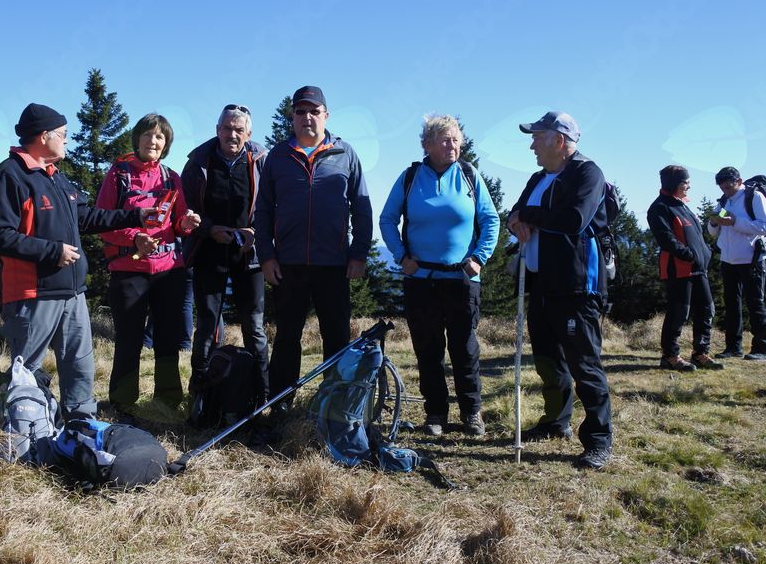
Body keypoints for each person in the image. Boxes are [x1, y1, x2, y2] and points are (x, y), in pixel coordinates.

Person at [0, 103, 150, 419]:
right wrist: (52, 251)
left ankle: (80, 426)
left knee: (80, 367)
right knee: (27, 371)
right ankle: (22, 427)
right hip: (32, 294)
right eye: (63, 134)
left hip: (72, 293)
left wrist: (136, 216)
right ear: (44, 136)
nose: (67, 140)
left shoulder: (57, 178)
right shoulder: (9, 176)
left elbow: (87, 217)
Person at [378, 114, 499, 437]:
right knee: (428, 349)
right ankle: (435, 413)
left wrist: (479, 258)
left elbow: (491, 220)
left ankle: (471, 412)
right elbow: (387, 219)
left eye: (456, 139)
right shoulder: (410, 178)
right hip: (421, 280)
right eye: (445, 140)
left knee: (465, 349)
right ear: (427, 144)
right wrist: (401, 256)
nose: (453, 145)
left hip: (462, 279)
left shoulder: (469, 176)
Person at [254, 86, 372, 408]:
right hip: (288, 264)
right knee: (286, 337)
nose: (307, 117)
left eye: (314, 111)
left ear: (326, 116)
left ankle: (334, 407)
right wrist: (266, 256)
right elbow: (262, 210)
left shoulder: (345, 154)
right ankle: (281, 404)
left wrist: (359, 253)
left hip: (334, 264)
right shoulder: (277, 156)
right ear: (292, 117)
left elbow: (362, 207)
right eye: (300, 111)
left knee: (336, 337)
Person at [508, 111, 613, 470]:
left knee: (584, 362)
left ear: (559, 140)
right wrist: (516, 222)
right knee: (548, 359)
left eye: (537, 137)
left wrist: (528, 216)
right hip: (541, 282)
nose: (532, 145)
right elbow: (516, 213)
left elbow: (574, 219)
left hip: (576, 284)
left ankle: (598, 439)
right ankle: (556, 421)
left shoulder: (587, 173)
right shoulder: (539, 178)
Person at [96, 113, 200, 415]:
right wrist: (135, 238)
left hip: (169, 270)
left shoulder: (171, 177)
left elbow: (178, 224)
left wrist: (186, 224)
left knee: (168, 338)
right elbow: (101, 222)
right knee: (129, 340)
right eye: (147, 135)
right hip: (129, 271)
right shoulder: (118, 174)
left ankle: (168, 401)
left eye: (159, 137)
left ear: (166, 144)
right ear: (137, 139)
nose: (153, 141)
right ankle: (122, 402)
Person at [181, 104, 270, 407]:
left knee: (254, 327)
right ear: (217, 130)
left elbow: (274, 204)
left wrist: (255, 231)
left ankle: (261, 396)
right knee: (207, 325)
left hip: (249, 255)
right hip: (208, 252)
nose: (232, 135)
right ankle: (200, 396)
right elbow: (185, 208)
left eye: (239, 130)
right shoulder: (198, 162)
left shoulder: (262, 160)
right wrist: (209, 229)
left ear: (249, 133)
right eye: (227, 128)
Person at [647, 165, 723, 372]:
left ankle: (700, 353)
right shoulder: (660, 207)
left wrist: (706, 252)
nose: (689, 186)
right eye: (685, 183)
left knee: (706, 309)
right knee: (679, 312)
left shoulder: (683, 205)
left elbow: (696, 236)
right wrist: (689, 255)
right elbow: (666, 239)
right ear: (673, 183)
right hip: (677, 268)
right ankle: (670, 356)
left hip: (698, 268)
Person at [707, 166, 766, 361]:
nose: (725, 190)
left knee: (755, 304)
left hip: (751, 259)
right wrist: (714, 222)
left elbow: (763, 226)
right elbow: (713, 232)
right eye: (722, 187)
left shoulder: (754, 197)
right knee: (731, 304)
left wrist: (735, 222)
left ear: (738, 182)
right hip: (728, 259)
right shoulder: (724, 200)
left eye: (728, 187)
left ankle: (761, 348)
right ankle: (733, 347)